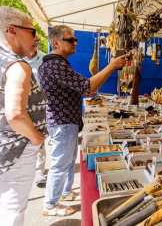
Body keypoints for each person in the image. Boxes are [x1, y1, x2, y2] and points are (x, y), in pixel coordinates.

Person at [0, 6, 47, 226]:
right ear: (12, 30)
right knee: (13, 208)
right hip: (15, 148)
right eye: (32, 32)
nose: (37, 38)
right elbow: (15, 115)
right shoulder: (17, 66)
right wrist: (35, 137)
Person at [39, 25, 128, 216]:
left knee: (69, 160)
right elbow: (87, 85)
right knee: (61, 162)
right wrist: (111, 66)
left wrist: (87, 88)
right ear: (56, 42)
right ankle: (50, 204)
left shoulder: (59, 64)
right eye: (70, 40)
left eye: (75, 39)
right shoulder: (56, 65)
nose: (75, 43)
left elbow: (84, 88)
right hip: (62, 121)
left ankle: (66, 192)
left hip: (65, 120)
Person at [24, 49, 48, 184]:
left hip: (40, 105)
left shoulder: (44, 60)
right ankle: (27, 168)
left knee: (39, 136)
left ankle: (39, 169)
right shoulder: (17, 59)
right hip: (21, 103)